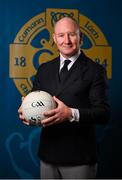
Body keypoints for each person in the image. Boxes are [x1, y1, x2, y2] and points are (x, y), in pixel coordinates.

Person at [18, 17, 110, 179]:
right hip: (48, 154)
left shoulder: (95, 71)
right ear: (54, 38)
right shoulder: (44, 69)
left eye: (71, 35)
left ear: (80, 37)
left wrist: (70, 114)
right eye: (61, 35)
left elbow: (103, 113)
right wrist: (25, 112)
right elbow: (32, 101)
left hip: (79, 158)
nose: (66, 40)